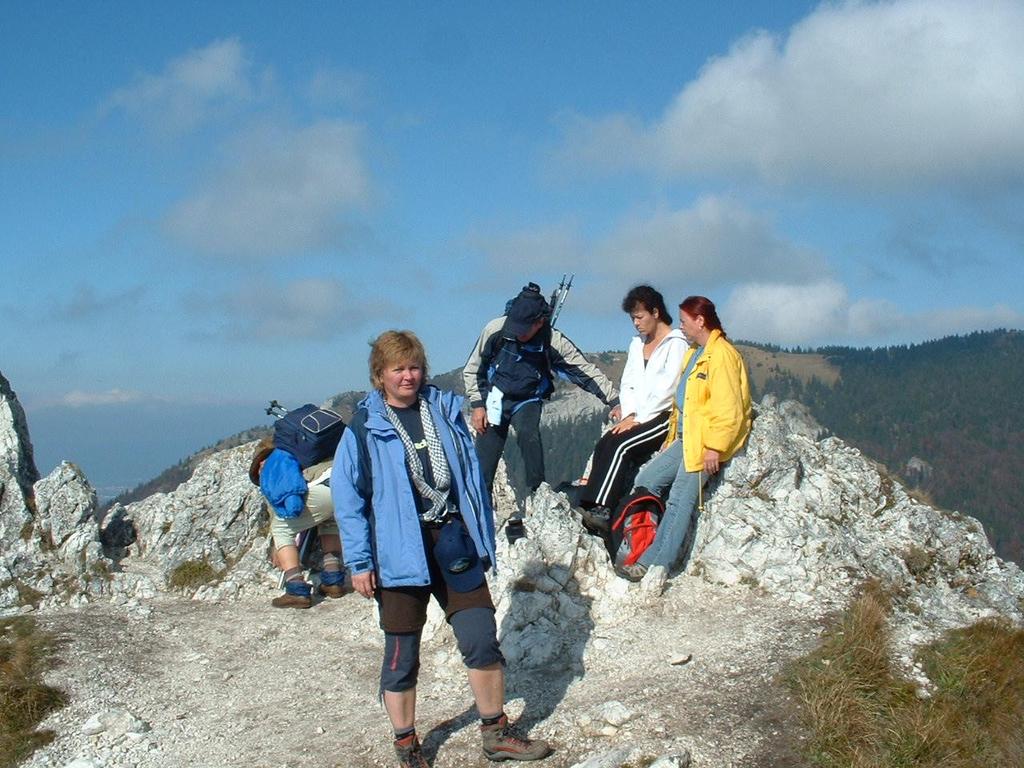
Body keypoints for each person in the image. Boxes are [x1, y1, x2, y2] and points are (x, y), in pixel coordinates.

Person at [331, 330, 552, 767]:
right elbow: (348, 498)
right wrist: (359, 561)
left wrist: (482, 534)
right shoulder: (364, 428)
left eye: (414, 367)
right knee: (402, 653)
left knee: (481, 637)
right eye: (398, 369)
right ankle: (407, 745)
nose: (408, 376)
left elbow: (471, 474)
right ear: (380, 376)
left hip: (452, 539)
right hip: (396, 551)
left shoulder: (445, 411)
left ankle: (495, 732)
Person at [463, 282, 620, 539]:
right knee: (484, 460)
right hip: (495, 399)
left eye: (524, 330)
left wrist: (613, 400)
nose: (518, 334)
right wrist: (477, 404)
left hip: (528, 398)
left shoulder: (552, 340)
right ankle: (478, 522)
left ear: (538, 323)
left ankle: (538, 498)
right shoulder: (496, 329)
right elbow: (474, 368)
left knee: (528, 435)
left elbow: (582, 369)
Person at [615, 296, 752, 584]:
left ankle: (653, 562)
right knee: (647, 479)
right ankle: (641, 538)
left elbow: (729, 407)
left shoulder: (722, 355)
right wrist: (671, 434)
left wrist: (715, 447)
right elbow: (683, 400)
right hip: (684, 438)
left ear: (700, 321)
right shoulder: (695, 353)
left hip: (704, 444)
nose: (681, 327)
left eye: (683, 321)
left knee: (680, 499)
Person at [578, 286, 687, 528]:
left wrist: (639, 419)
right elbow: (628, 382)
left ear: (655, 312)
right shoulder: (637, 344)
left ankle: (603, 508)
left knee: (622, 446)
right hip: (637, 414)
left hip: (662, 416)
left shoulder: (676, 343)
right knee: (606, 441)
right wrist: (630, 414)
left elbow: (668, 387)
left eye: (639, 317)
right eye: (633, 318)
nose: (636, 323)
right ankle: (588, 501)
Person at [248, 440, 348, 608]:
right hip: (343, 481)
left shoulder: (271, 467)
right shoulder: (303, 454)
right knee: (329, 520)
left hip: (323, 489)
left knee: (281, 528)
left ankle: (296, 590)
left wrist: (277, 547)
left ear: (261, 462)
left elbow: (280, 514)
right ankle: (333, 580)